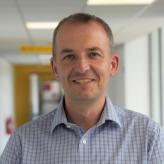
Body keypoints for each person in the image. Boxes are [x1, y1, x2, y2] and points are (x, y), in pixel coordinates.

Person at [0, 13, 164, 164]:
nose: (82, 66)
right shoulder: (22, 142)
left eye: (93, 54)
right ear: (55, 68)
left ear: (112, 65)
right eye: (69, 56)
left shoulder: (148, 136)